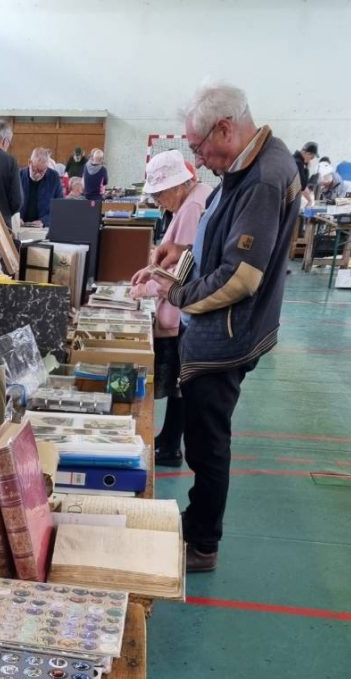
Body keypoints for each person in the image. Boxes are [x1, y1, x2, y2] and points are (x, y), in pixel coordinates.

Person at [147, 83, 300, 573]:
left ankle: (202, 543)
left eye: (199, 147)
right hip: (220, 329)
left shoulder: (263, 178)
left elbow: (241, 277)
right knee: (201, 438)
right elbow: (219, 239)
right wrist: (180, 255)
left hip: (226, 336)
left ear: (226, 129)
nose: (199, 159)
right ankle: (197, 522)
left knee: (209, 443)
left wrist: (176, 293)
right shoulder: (246, 166)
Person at [130, 151, 211, 467]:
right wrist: (151, 271)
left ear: (178, 185)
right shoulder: (196, 196)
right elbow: (176, 257)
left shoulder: (191, 207)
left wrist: (145, 289)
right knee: (180, 381)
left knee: (179, 381)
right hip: (183, 308)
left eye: (160, 194)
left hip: (181, 309)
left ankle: (171, 445)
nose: (159, 202)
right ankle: (168, 440)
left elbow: (181, 272)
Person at [19, 147, 64, 227]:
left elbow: (59, 207)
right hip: (20, 224)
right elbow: (9, 202)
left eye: (42, 172)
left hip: (42, 227)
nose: (38, 175)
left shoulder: (54, 177)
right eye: (35, 170)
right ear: (29, 162)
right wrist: (16, 218)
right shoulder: (19, 175)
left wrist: (44, 221)